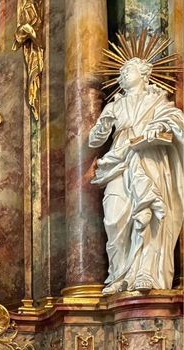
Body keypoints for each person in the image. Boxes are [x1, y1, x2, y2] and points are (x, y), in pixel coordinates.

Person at [88, 55, 184, 293]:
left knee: (150, 215)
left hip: (149, 159)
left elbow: (176, 121)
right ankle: (119, 274)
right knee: (114, 217)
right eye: (120, 72)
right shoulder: (114, 106)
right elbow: (94, 141)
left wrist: (158, 125)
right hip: (118, 161)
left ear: (144, 74)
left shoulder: (158, 102)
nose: (123, 74)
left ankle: (145, 273)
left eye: (128, 70)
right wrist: (103, 124)